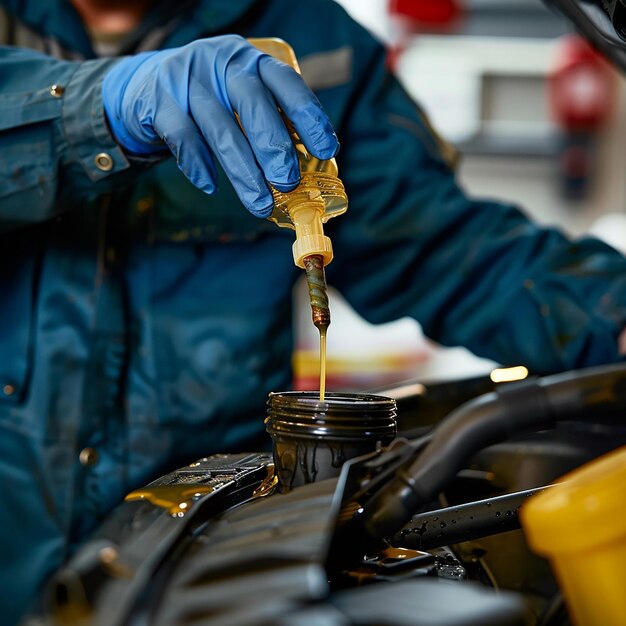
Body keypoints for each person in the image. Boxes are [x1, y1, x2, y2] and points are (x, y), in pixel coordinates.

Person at [0, 0, 624, 623]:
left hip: (209, 551)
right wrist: (94, 109)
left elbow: (437, 246)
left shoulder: (317, 40)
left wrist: (609, 315)